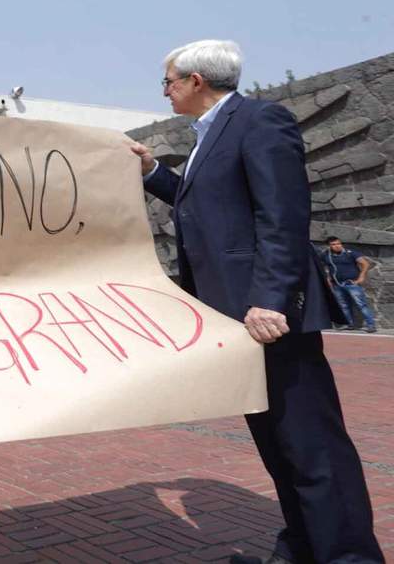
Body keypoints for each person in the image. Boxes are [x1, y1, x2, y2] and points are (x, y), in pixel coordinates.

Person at [127, 40, 381, 564]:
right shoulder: (208, 135)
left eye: (169, 81)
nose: (165, 91)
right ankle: (305, 546)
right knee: (278, 447)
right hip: (235, 317)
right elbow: (210, 209)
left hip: (268, 317)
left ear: (197, 80)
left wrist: (270, 300)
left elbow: (283, 217)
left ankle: (350, 556)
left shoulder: (261, 121)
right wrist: (154, 172)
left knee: (312, 446)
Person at [321, 236, 378, 333]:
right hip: (337, 284)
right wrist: (328, 279)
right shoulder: (326, 255)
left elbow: (365, 263)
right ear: (329, 246)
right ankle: (349, 324)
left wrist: (361, 277)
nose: (337, 246)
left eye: (338, 243)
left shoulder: (350, 253)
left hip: (351, 283)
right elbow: (324, 267)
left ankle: (371, 325)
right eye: (333, 244)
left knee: (361, 304)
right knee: (343, 305)